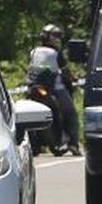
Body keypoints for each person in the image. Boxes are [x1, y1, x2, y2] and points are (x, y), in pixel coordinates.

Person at [28, 24, 81, 155]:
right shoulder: (56, 53)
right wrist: (73, 79)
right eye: (55, 36)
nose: (58, 39)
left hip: (34, 87)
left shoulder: (34, 51)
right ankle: (73, 144)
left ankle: (36, 143)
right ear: (47, 37)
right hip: (55, 88)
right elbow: (66, 71)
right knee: (71, 114)